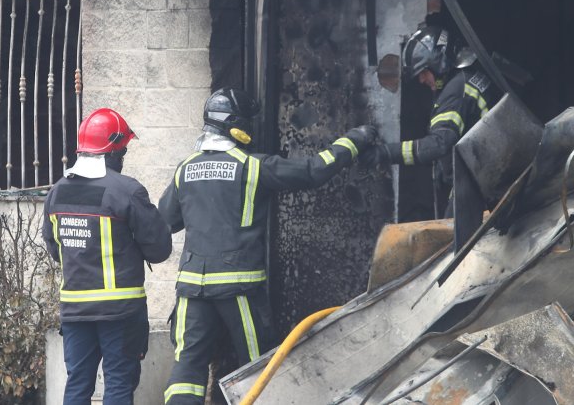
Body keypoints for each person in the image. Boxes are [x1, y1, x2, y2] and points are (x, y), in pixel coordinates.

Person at [158, 87, 378, 405]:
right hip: (238, 288)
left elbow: (166, 222)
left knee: (188, 368)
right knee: (258, 367)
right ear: (236, 125)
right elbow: (313, 171)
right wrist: (354, 140)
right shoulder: (253, 166)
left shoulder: (185, 170)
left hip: (192, 288)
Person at [41, 107, 172, 405]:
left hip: (75, 311)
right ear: (113, 153)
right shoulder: (126, 191)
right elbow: (160, 248)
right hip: (119, 312)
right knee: (118, 384)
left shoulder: (57, 193)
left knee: (78, 385)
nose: (123, 158)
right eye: (122, 151)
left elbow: (55, 247)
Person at [363, 25, 503, 231]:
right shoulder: (469, 76)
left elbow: (439, 144)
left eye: (423, 72)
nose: (422, 80)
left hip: (479, 182)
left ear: (438, 62)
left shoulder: (455, 90)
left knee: (450, 250)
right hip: (494, 174)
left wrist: (385, 153)